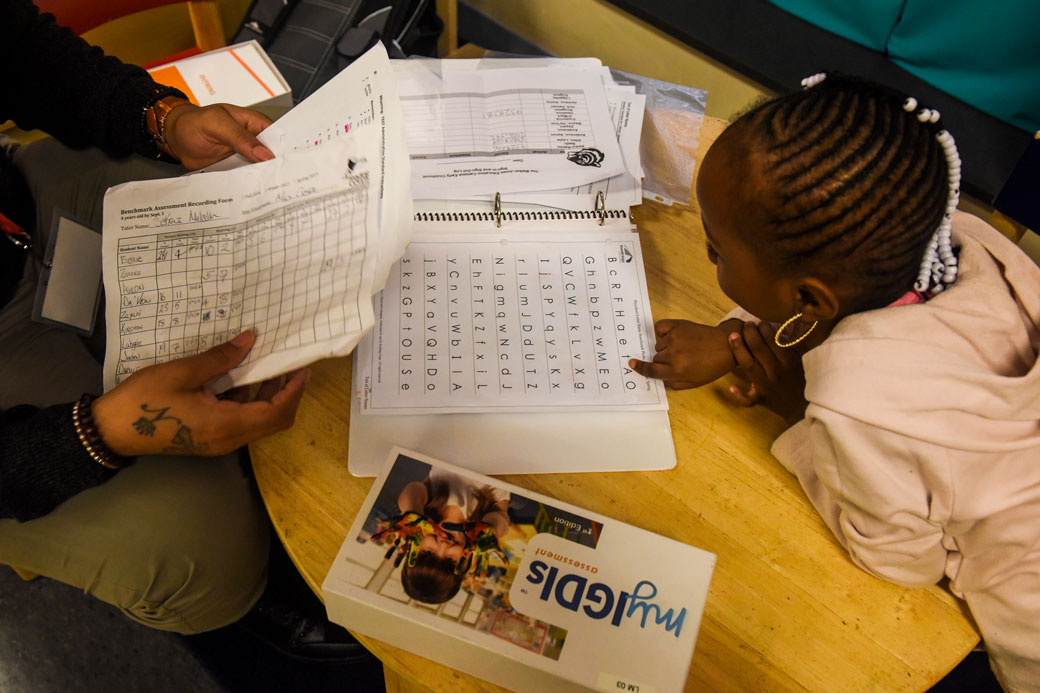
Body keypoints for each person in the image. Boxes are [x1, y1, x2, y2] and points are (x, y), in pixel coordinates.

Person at [630, 74, 1040, 691]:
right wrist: (736, 337)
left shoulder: (859, 408)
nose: (707, 254)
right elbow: (834, 302)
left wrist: (805, 421)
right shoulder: (962, 243)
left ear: (808, 297)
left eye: (715, 252)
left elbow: (900, 559)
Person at [0, 0, 310, 637]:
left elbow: (20, 52)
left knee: (280, 146)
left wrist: (162, 118)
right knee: (200, 561)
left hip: (20, 207)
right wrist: (98, 433)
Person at [387, 468, 511, 604]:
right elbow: (501, 518)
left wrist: (412, 511)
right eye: (450, 560)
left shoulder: (425, 508)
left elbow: (413, 490)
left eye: (428, 552)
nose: (443, 546)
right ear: (465, 564)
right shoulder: (480, 528)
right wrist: (491, 529)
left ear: (414, 547)